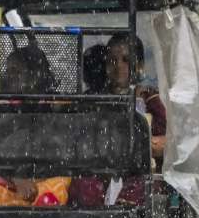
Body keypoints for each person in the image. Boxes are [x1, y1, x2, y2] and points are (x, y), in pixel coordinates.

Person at [69, 34, 167, 207]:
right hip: (101, 170)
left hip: (138, 172)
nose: (119, 66)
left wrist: (149, 145)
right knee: (83, 185)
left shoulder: (149, 99)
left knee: (141, 188)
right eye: (112, 60)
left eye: (126, 60)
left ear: (140, 66)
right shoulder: (94, 100)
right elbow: (77, 135)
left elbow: (168, 141)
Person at [0, 45, 71, 207]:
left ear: (35, 76)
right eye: (8, 70)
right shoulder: (1, 110)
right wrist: (16, 178)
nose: (9, 76)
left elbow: (62, 153)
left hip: (46, 180)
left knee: (53, 194)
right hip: (10, 183)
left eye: (16, 71)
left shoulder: (55, 107)